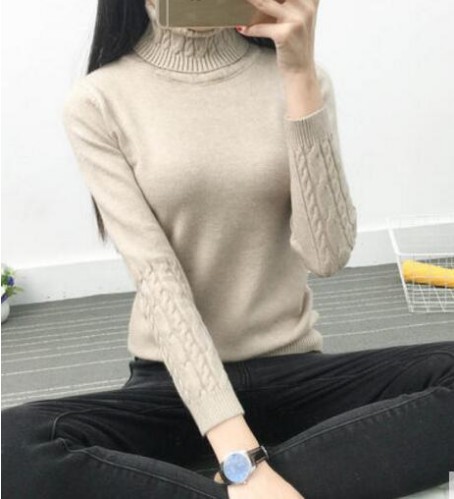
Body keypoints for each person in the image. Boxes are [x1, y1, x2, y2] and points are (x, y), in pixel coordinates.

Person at [2, 0, 453, 498]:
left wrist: (299, 74)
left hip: (292, 373)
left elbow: (327, 255)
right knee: (15, 443)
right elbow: (158, 279)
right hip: (175, 388)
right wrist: (244, 460)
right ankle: (259, 477)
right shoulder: (98, 101)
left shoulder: (300, 79)